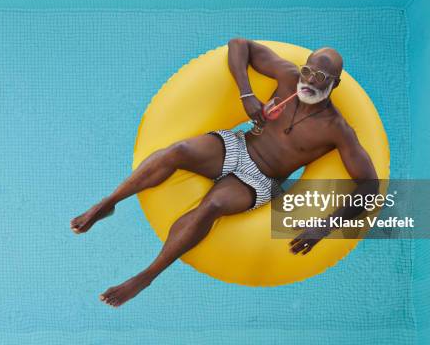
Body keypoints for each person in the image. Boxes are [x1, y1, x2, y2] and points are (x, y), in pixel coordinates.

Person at [70, 38, 378, 307]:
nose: (309, 80)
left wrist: (323, 228)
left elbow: (369, 186)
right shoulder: (288, 77)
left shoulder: (336, 130)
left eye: (321, 77)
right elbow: (238, 44)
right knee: (176, 151)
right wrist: (247, 96)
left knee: (213, 206)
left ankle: (147, 275)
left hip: (261, 180)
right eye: (308, 71)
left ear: (334, 84)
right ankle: (107, 203)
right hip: (238, 145)